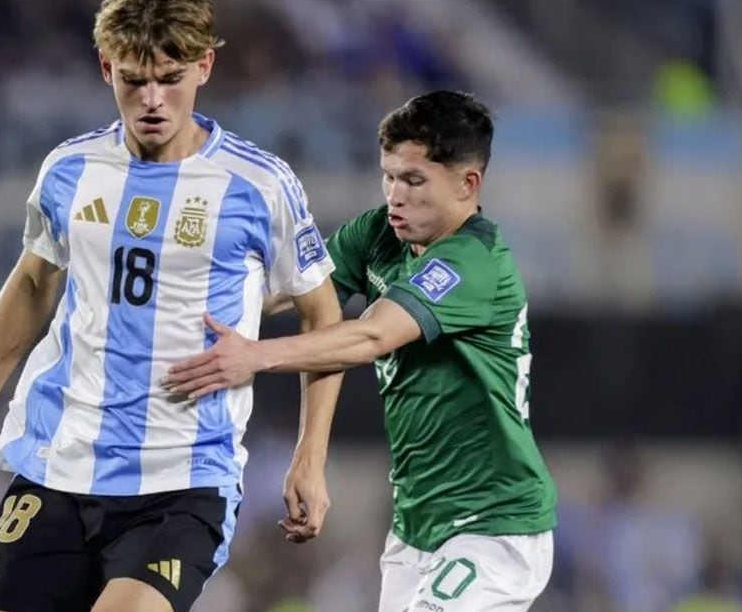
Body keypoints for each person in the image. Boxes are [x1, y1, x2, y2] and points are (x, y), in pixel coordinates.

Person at [0, 0, 344, 612]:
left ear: (204, 66)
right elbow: (34, 283)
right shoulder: (70, 170)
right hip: (60, 467)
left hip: (181, 483)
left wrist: (309, 456)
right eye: (134, 79)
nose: (153, 99)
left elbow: (324, 319)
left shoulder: (258, 185)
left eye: (171, 79)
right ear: (106, 68)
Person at [166, 91, 558, 611]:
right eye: (389, 175)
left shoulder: (475, 261)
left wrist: (255, 355)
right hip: (417, 525)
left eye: (414, 180)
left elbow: (369, 336)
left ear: (468, 184)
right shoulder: (378, 233)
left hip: (494, 526)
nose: (396, 194)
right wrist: (175, 297)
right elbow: (292, 292)